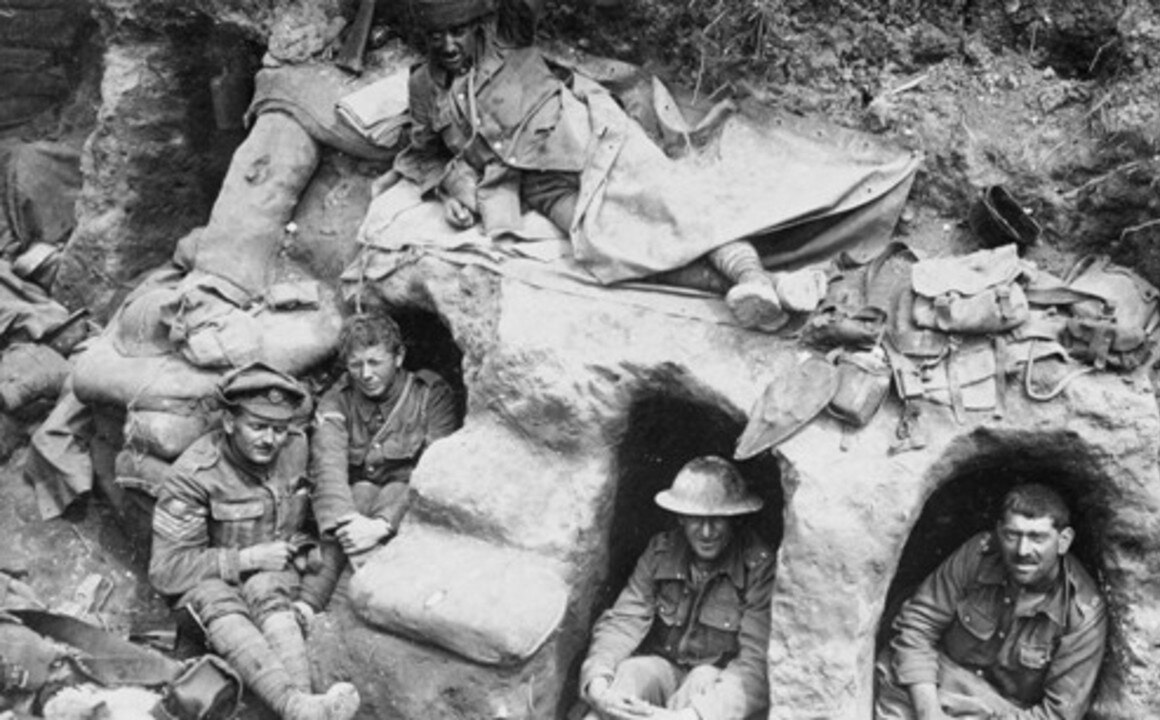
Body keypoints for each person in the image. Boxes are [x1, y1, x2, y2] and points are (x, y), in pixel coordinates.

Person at [391, 0, 790, 331]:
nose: (446, 44)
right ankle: (753, 287)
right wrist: (450, 190)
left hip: (588, 137)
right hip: (536, 184)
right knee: (605, 247)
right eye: (435, 36)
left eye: (457, 31)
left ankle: (750, 274)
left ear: (480, 23)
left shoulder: (509, 35)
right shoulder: (424, 86)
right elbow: (423, 153)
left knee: (667, 201)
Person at [149, 363, 360, 720]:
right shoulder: (194, 475)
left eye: (279, 429)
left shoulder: (296, 447)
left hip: (274, 585)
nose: (270, 439)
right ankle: (297, 707)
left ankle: (304, 706)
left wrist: (304, 546)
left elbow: (311, 508)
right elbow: (167, 571)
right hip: (211, 596)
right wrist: (245, 559)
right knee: (217, 595)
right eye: (258, 427)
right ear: (230, 423)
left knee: (265, 585)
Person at [874, 483, 1107, 720]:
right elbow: (916, 628)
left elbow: (1058, 714)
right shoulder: (977, 555)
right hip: (942, 682)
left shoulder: (1083, 612)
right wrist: (929, 713)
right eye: (1012, 535)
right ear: (999, 531)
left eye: (1037, 537)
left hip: (1008, 714)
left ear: (1064, 540)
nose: (1022, 550)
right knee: (893, 672)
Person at [578, 456, 774, 720]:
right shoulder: (661, 552)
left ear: (735, 518)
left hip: (715, 693)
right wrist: (598, 682)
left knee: (701, 679)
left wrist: (691, 716)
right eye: (696, 518)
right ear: (680, 516)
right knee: (633, 673)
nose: (706, 532)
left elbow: (754, 665)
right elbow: (624, 620)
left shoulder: (757, 566)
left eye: (718, 519)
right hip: (666, 672)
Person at [310, 311, 459, 567]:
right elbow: (328, 466)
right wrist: (348, 526)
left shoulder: (430, 394)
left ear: (398, 357)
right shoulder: (338, 398)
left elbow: (437, 471)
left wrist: (383, 524)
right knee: (361, 492)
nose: (365, 374)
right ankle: (309, 604)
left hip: (406, 510)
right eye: (356, 364)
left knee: (394, 490)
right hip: (354, 509)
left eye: (375, 362)